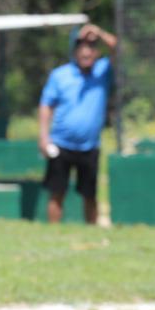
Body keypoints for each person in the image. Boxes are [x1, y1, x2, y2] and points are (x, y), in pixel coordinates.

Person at [38, 23, 117, 225]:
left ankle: (90, 232)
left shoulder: (102, 73)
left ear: (96, 52)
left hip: (90, 146)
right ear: (74, 52)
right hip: (61, 144)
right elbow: (46, 105)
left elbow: (118, 47)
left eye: (91, 48)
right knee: (57, 193)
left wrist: (97, 31)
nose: (86, 52)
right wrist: (44, 137)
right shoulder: (60, 75)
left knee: (90, 195)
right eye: (81, 48)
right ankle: (53, 234)